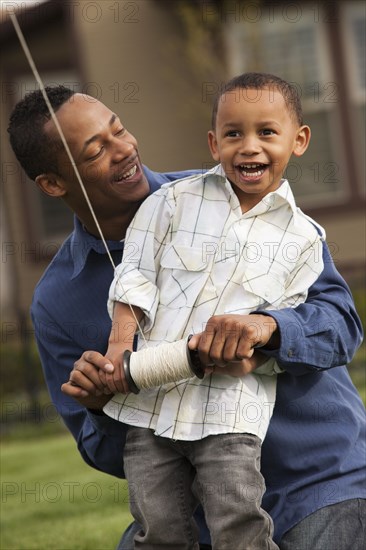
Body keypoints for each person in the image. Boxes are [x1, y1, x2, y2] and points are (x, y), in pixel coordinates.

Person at [7, 85, 365, 550]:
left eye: (119, 129)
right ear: (54, 185)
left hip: (316, 482)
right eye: (96, 149)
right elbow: (103, 451)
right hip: (200, 519)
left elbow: (341, 325)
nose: (124, 150)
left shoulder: (243, 193)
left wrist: (269, 329)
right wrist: (101, 404)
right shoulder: (57, 301)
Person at [98, 72, 325, 549]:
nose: (249, 147)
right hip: (150, 406)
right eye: (233, 134)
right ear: (213, 142)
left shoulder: (304, 239)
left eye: (267, 132)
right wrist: (121, 344)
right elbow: (134, 274)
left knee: (237, 521)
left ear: (298, 140)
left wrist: (253, 357)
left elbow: (285, 321)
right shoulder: (171, 203)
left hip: (230, 412)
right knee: (158, 528)